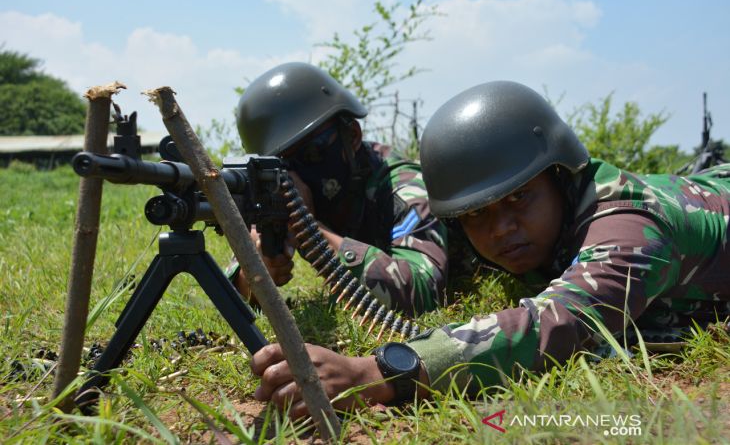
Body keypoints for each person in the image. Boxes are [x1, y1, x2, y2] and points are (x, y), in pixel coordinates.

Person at [250, 80, 730, 418]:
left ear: (559, 175)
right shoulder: (512, 221)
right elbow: (421, 260)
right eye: (477, 214)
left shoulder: (630, 224)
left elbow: (558, 322)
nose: (501, 229)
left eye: (519, 198)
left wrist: (371, 373)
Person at [227, 62, 473, 317]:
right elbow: (233, 292)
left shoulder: (400, 185)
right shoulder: (275, 190)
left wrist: (309, 229)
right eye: (281, 165)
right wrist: (257, 273)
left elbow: (423, 293)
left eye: (312, 153)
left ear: (352, 135)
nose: (294, 179)